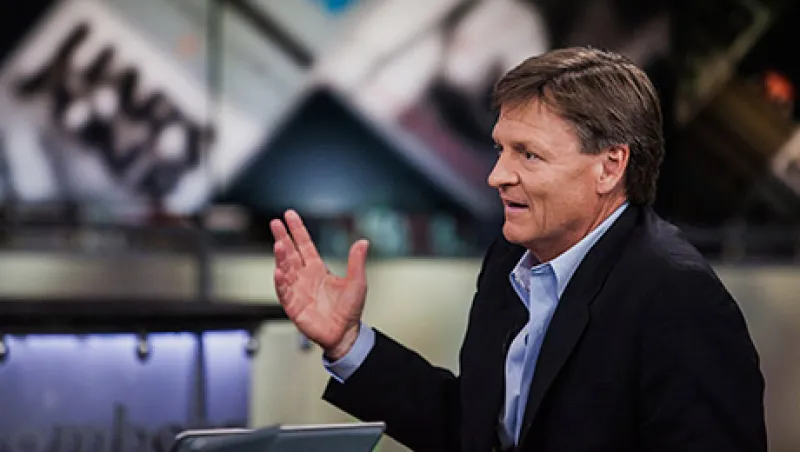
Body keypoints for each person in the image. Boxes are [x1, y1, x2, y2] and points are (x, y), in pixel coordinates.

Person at [269, 47, 767, 452]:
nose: (497, 175)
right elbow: (475, 430)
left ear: (610, 166)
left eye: (528, 154)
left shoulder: (677, 296)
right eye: (500, 149)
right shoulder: (511, 260)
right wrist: (348, 343)